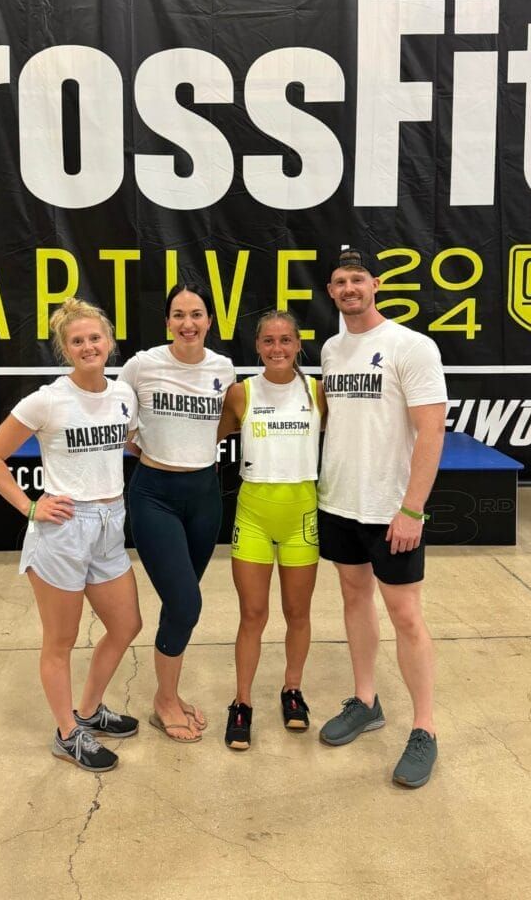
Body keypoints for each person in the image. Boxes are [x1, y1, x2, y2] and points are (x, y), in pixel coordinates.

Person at [0, 298, 142, 773]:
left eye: (95, 338)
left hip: (111, 523)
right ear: (65, 350)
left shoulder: (122, 395)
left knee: (127, 624)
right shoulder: (47, 399)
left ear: (109, 342)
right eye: (78, 341)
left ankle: (88, 711)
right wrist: (30, 506)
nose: (88, 346)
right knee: (61, 639)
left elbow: (129, 442)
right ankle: (67, 733)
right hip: (64, 530)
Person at [317, 249, 446, 788]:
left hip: (391, 511)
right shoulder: (330, 348)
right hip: (339, 502)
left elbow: (432, 430)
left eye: (358, 279)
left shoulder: (410, 346)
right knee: (353, 599)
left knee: (407, 616)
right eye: (340, 281)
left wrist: (412, 508)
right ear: (330, 291)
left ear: (376, 285)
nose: (350, 288)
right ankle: (366, 701)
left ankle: (425, 728)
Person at [118, 282, 235, 742]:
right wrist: (149, 447)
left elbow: (224, 422)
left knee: (177, 603)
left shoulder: (222, 369)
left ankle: (171, 692)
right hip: (155, 494)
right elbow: (117, 421)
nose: (188, 323)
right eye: (179, 314)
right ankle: (164, 701)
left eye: (197, 314)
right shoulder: (141, 366)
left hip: (205, 495)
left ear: (209, 321)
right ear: (167, 321)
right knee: (187, 602)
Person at [217, 310, 325, 750]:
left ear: (298, 344)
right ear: (257, 346)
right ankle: (241, 702)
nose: (277, 348)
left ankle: (292, 690)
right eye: (268, 341)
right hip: (254, 515)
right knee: (253, 615)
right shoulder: (240, 393)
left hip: (302, 515)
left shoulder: (318, 392)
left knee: (298, 614)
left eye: (285, 340)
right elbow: (206, 439)